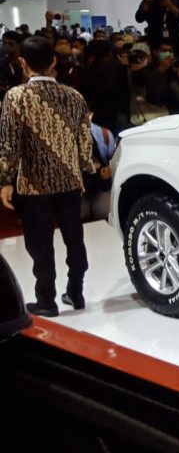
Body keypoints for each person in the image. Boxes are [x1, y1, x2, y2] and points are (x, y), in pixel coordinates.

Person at [0, 36, 93, 317]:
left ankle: (46, 300)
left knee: (40, 244)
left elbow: (9, 144)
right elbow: (84, 140)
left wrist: (5, 180)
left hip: (34, 184)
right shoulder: (74, 96)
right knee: (74, 239)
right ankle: (76, 292)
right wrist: (82, 169)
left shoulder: (16, 96)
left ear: (22, 62)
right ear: (53, 61)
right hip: (69, 180)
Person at [1, 31, 25, 101]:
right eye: (4, 43)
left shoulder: (25, 61)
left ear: (19, 45)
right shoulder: (2, 63)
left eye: (10, 44)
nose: (6, 46)